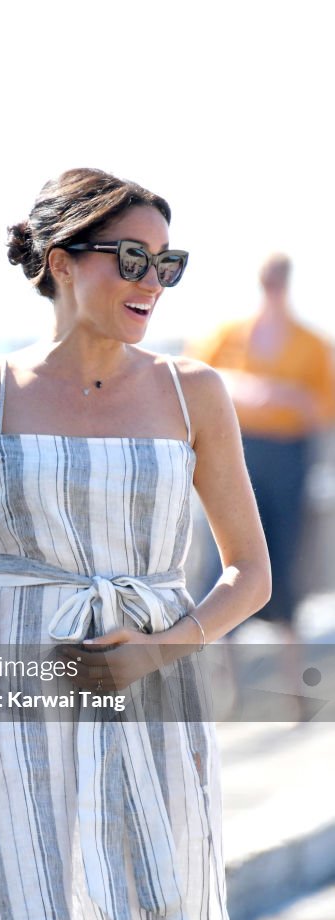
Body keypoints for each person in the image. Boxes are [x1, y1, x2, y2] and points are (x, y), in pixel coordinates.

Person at [0, 168, 270, 920]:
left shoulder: (195, 393)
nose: (152, 283)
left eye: (164, 264)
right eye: (131, 260)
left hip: (156, 690)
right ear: (61, 259)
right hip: (19, 692)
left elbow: (248, 574)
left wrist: (159, 648)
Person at [189, 253, 335, 635]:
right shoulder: (227, 334)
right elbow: (191, 376)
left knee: (282, 556)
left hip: (288, 454)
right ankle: (224, 681)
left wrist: (286, 397)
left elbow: (324, 407)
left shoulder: (312, 343)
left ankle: (291, 682)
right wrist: (245, 388)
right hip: (237, 447)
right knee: (223, 556)